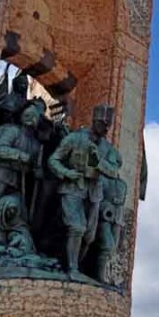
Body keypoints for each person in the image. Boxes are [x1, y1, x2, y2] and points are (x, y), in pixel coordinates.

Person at [48, 104, 121, 276]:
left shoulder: (108, 149)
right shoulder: (75, 139)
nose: (105, 129)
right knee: (77, 227)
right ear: (94, 122)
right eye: (103, 124)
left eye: (108, 126)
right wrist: (67, 173)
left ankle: (75, 265)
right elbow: (53, 160)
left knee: (89, 236)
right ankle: (72, 268)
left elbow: (113, 171)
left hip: (94, 192)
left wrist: (98, 163)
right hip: (72, 187)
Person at [0, 98, 45, 232]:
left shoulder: (36, 144)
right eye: (27, 115)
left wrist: (35, 170)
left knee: (10, 218)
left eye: (34, 116)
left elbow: (31, 166)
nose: (31, 119)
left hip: (15, 182)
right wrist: (21, 155)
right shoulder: (11, 130)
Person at [0, 194, 58, 271]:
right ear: (1, 210)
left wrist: (20, 244)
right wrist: (1, 249)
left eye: (14, 210)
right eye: (8, 210)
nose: (11, 213)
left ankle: (16, 265)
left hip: (16, 258)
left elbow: (28, 249)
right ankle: (16, 265)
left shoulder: (19, 226)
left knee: (35, 258)